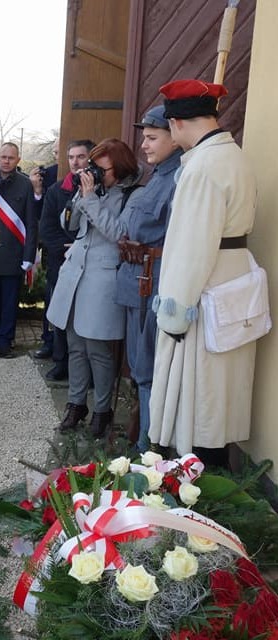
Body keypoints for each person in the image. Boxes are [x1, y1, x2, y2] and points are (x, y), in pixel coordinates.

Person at [149, 79, 258, 468]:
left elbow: (190, 249)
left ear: (176, 123)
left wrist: (174, 317)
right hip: (230, 281)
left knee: (199, 398)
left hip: (205, 287)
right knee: (218, 391)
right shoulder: (232, 156)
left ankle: (192, 483)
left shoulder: (204, 168)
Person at [47, 138, 144, 437]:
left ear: (119, 166)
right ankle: (76, 404)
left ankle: (102, 410)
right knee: (75, 345)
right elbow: (71, 226)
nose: (94, 173)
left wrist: (91, 200)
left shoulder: (133, 195)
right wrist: (80, 196)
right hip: (75, 272)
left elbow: (120, 233)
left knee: (98, 349)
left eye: (100, 168)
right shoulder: (91, 190)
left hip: (102, 279)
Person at [116, 106, 182, 452]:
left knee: (149, 371)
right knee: (140, 368)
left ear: (176, 135)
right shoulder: (158, 175)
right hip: (135, 282)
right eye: (145, 137)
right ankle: (143, 442)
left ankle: (149, 451)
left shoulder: (179, 178)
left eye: (152, 137)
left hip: (152, 284)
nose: (144, 144)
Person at [34, 140, 95, 380]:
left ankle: (86, 370)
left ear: (90, 159)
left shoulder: (99, 190)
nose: (75, 162)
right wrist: (65, 247)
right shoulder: (57, 190)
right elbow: (46, 227)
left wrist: (80, 245)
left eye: (80, 157)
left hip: (89, 263)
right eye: (71, 157)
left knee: (85, 316)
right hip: (61, 262)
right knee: (59, 314)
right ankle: (61, 362)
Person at [0, 142, 38, 358]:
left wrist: (29, 256)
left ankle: (5, 342)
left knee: (9, 305)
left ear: (18, 160)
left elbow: (31, 223)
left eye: (11, 158)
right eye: (3, 157)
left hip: (13, 254)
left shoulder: (25, 185)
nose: (6, 161)